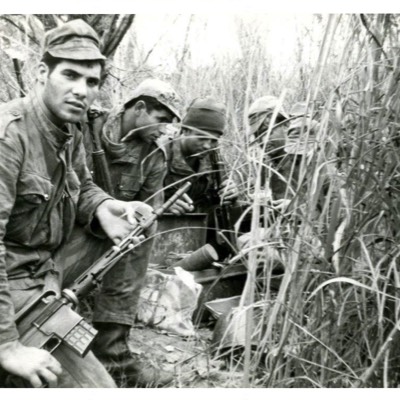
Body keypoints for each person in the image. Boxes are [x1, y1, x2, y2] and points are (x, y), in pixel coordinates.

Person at [0, 19, 154, 388]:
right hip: (13, 278)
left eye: (91, 81)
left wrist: (103, 206)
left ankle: (111, 346)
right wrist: (7, 345)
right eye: (69, 75)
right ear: (42, 73)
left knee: (141, 219)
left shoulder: (68, 129)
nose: (81, 90)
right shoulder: (9, 136)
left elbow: (81, 184)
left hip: (45, 267)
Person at [78, 78, 183, 387]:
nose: (164, 129)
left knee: (144, 230)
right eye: (161, 118)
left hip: (113, 239)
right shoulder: (86, 128)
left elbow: (151, 209)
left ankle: (113, 356)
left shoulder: (153, 156)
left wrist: (139, 219)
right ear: (139, 108)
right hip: (68, 229)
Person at [161, 97, 239, 256]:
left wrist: (231, 193)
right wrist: (162, 204)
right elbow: (134, 198)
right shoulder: (161, 153)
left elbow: (221, 201)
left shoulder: (214, 159)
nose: (207, 145)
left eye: (213, 140)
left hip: (199, 235)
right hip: (161, 233)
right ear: (185, 130)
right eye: (201, 138)